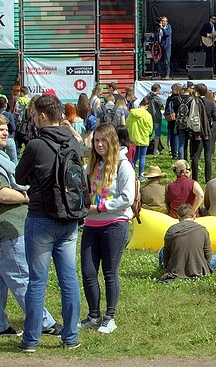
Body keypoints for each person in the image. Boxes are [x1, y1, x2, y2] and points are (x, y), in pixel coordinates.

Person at [0, 112, 60, 339]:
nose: (5, 132)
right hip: (3, 229)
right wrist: (29, 197)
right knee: (21, 277)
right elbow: (0, 194)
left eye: (6, 128)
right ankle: (44, 323)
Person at [15, 93, 84, 351]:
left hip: (41, 217)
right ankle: (71, 337)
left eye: (33, 115)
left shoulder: (35, 145)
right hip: (69, 217)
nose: (32, 119)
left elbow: (19, 175)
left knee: (37, 281)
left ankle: (31, 339)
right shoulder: (73, 142)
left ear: (42, 116)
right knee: (69, 279)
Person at [79, 123, 135, 335]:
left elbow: (127, 197)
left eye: (103, 140)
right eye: (96, 141)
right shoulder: (91, 166)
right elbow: (84, 190)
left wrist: (101, 207)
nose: (99, 144)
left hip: (115, 223)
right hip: (91, 225)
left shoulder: (123, 166)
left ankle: (109, 317)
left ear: (112, 141)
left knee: (109, 273)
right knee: (88, 272)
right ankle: (94, 315)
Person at [158, 203, 216, 281]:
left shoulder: (171, 230)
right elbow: (208, 256)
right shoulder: (202, 230)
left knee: (162, 250)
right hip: (199, 268)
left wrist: (170, 267)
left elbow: (166, 255)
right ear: (194, 216)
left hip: (176, 268)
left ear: (178, 216)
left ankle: (162, 266)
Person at [127, 97, 154, 174]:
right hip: (143, 137)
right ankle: (141, 175)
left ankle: (130, 173)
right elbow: (150, 128)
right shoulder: (148, 115)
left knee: (134, 157)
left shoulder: (132, 114)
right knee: (142, 157)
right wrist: (148, 134)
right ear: (146, 105)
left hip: (133, 137)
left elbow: (127, 124)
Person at [165, 83, 185, 160]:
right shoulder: (178, 99)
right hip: (177, 119)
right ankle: (176, 153)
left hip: (170, 119)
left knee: (171, 136)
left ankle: (173, 153)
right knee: (176, 137)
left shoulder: (169, 98)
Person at [145, 84, 165, 155]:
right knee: (157, 134)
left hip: (148, 117)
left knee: (148, 133)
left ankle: (145, 148)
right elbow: (161, 106)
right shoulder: (156, 98)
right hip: (156, 117)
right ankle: (155, 150)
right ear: (157, 89)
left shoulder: (147, 96)